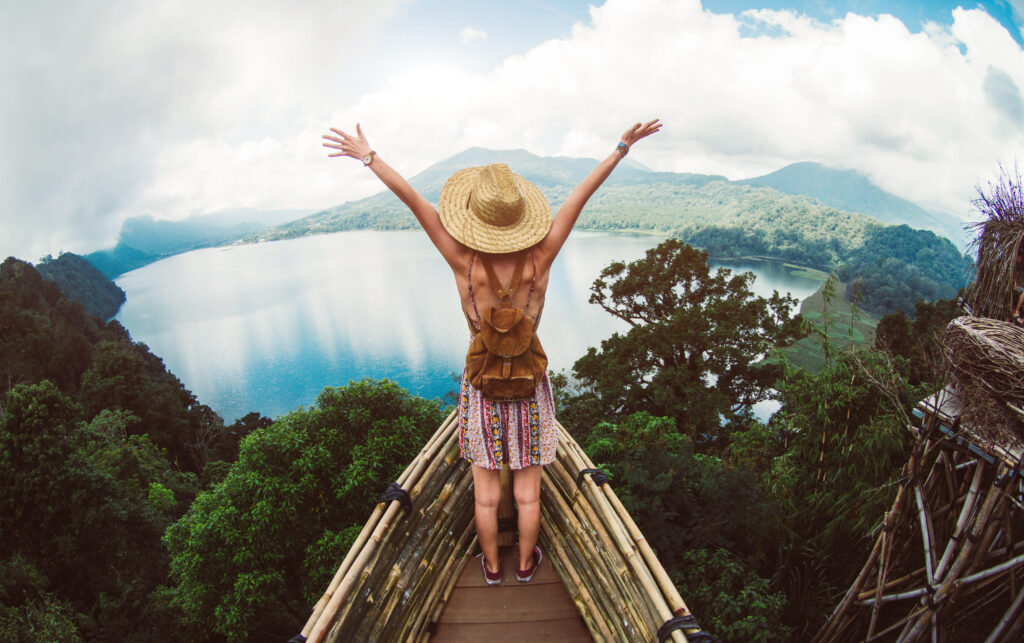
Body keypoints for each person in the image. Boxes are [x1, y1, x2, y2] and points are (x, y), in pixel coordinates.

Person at [322, 119, 661, 585]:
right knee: (527, 495)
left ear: (478, 220)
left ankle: (493, 568)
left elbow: (414, 202)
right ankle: (525, 566)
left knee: (485, 498)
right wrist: (620, 148)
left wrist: (368, 156)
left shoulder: (465, 262)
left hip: (481, 388)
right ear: (520, 218)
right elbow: (578, 199)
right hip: (529, 388)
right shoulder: (541, 257)